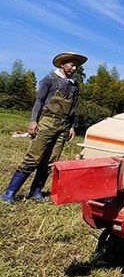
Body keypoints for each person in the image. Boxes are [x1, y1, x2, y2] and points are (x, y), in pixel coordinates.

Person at [1, 52, 87, 204]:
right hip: (47, 122)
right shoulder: (50, 80)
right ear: (62, 64)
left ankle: (35, 191)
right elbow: (39, 101)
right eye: (71, 64)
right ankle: (10, 192)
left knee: (51, 160)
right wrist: (33, 121)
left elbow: (74, 107)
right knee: (33, 158)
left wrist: (72, 127)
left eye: (76, 66)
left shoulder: (75, 85)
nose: (74, 68)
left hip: (64, 126)